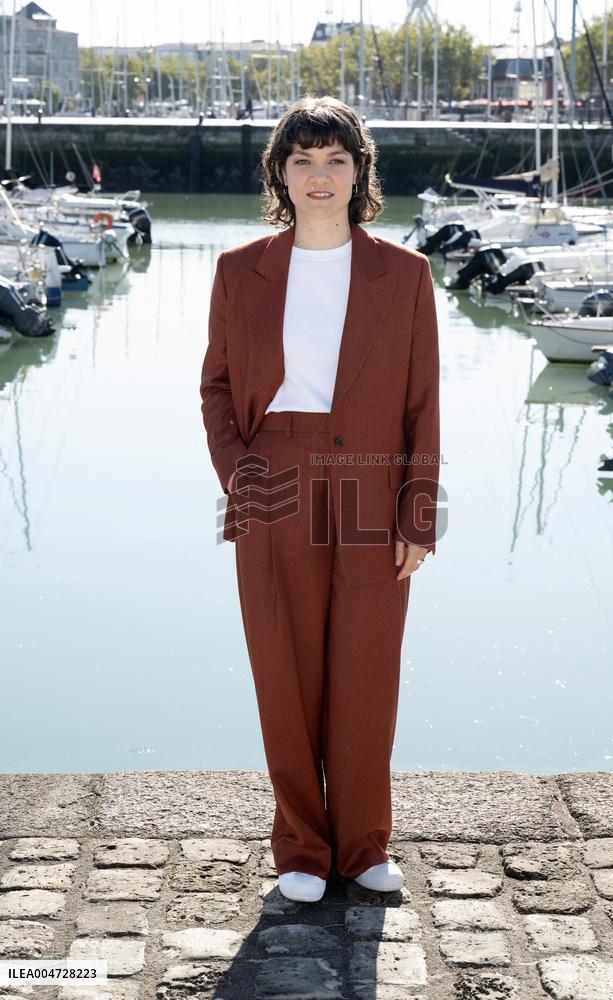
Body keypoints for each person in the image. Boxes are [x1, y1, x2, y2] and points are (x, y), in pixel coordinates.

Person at [200, 95, 440, 903]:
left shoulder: (405, 274)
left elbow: (423, 403)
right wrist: (239, 473)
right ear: (280, 173)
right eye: (301, 159)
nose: (319, 174)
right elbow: (218, 386)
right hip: (275, 480)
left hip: (374, 478)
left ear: (359, 171)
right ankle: (302, 846)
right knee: (284, 667)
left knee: (367, 668)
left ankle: (364, 843)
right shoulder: (241, 271)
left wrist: (418, 512)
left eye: (336, 158)